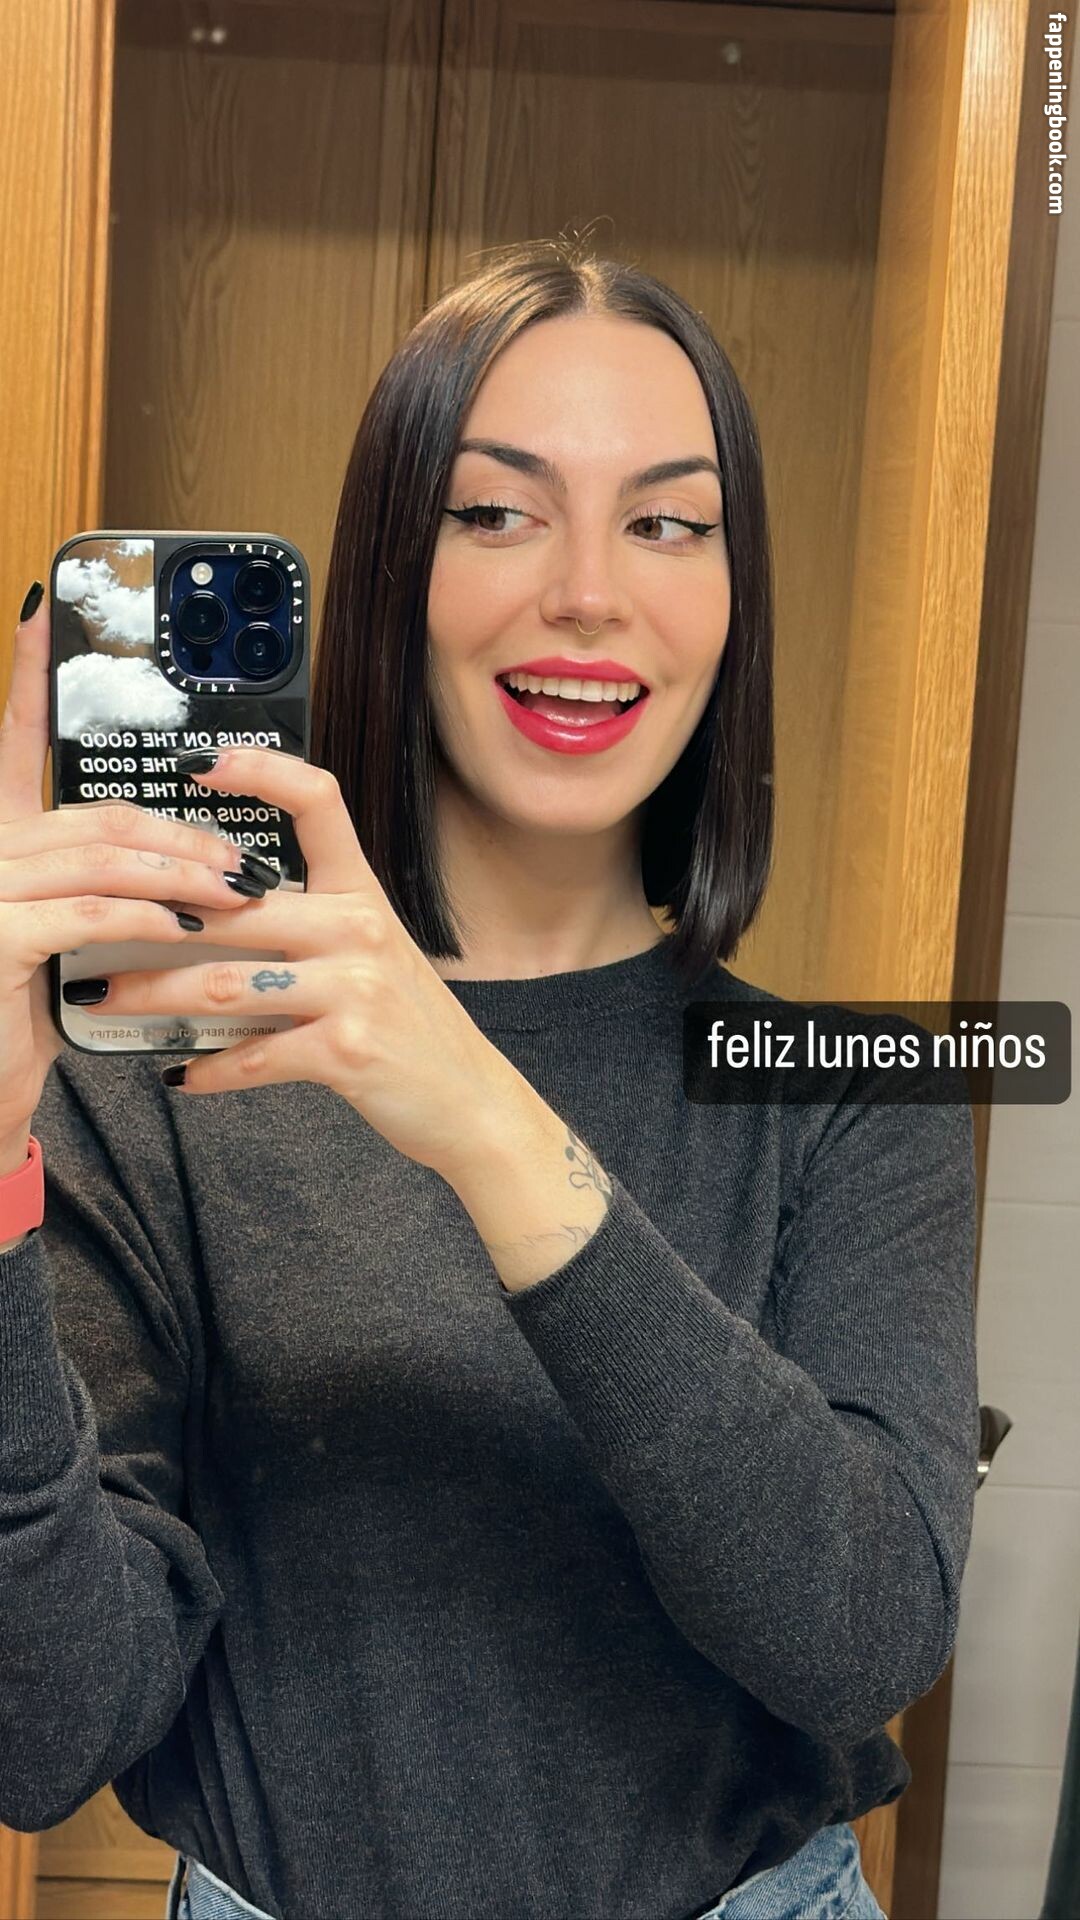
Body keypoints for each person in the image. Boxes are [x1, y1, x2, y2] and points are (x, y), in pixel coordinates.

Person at [0, 238, 980, 1920]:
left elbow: (861, 1637)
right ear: (397, 570)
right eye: (498, 511)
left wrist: (485, 1124)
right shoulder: (152, 1081)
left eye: (668, 523)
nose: (589, 591)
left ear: (734, 603)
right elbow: (44, 1733)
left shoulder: (851, 1090)